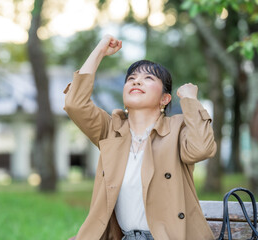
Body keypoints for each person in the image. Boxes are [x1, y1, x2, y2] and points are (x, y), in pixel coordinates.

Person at [64, 35, 217, 240]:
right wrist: (100, 49)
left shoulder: (177, 128)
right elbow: (75, 104)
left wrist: (190, 99)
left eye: (148, 78)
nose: (137, 81)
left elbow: (202, 148)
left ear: (165, 98)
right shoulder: (111, 130)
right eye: (131, 79)